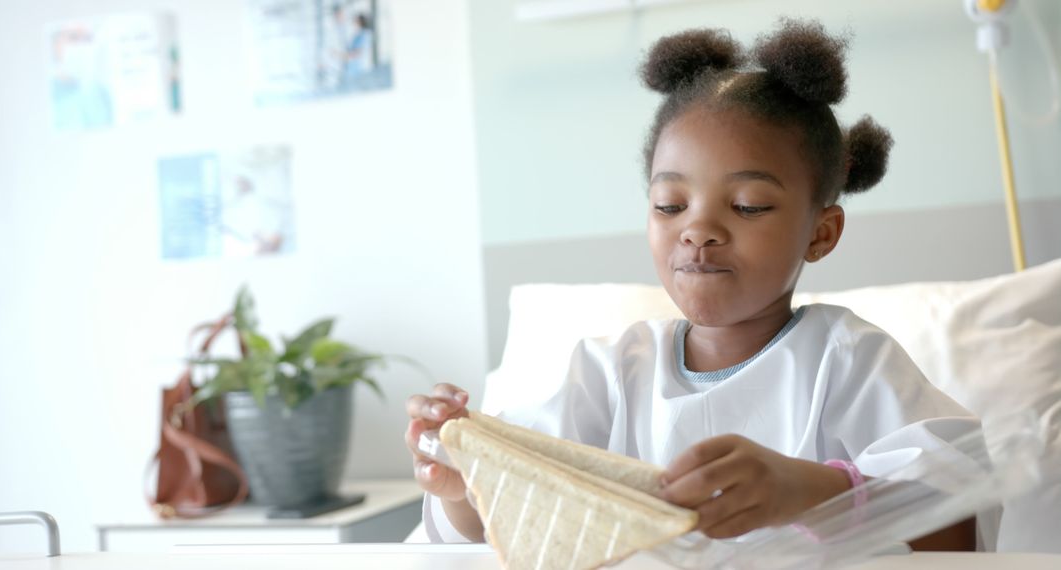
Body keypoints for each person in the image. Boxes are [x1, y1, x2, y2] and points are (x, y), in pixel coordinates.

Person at [404, 18, 983, 551]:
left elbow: (956, 521)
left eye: (748, 205)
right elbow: (507, 515)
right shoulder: (608, 374)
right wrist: (462, 482)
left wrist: (803, 489)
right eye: (670, 203)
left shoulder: (849, 360)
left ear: (821, 232)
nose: (698, 230)